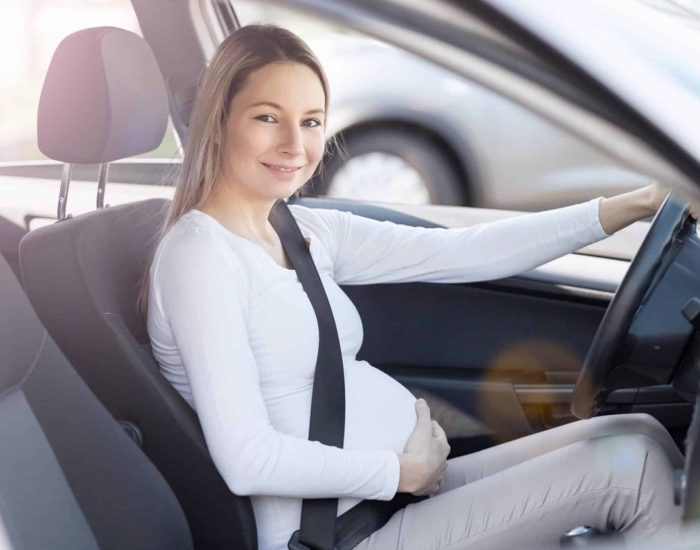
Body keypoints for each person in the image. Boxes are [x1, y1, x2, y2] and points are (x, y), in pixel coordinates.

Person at [141, 24, 692, 550]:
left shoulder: (302, 228)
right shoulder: (199, 257)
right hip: (335, 531)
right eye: (268, 117)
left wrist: (635, 205)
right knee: (632, 475)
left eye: (311, 122)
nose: (294, 143)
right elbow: (246, 459)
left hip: (395, 495)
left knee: (635, 434)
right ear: (219, 120)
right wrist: (397, 472)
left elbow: (466, 251)